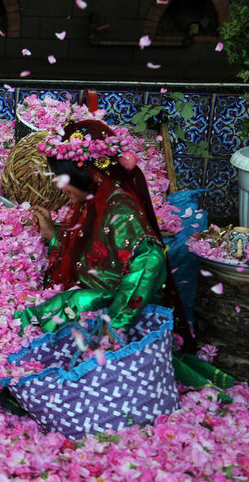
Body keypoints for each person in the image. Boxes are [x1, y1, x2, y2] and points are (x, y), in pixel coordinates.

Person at [16, 120, 196, 353]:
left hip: (113, 305)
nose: (60, 187)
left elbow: (151, 259)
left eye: (63, 178)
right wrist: (52, 235)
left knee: (58, 308)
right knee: (43, 313)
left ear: (86, 173)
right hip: (100, 296)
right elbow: (92, 257)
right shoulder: (97, 200)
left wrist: (115, 322)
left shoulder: (119, 209)